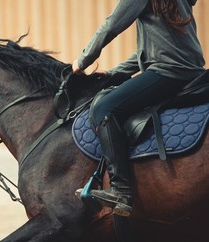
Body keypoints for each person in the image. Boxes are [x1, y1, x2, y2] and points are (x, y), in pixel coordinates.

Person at [72, 0, 206, 217]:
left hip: (168, 73)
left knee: (104, 109)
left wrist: (82, 60)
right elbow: (158, 48)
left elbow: (112, 25)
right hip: (190, 71)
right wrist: (116, 71)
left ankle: (121, 190)